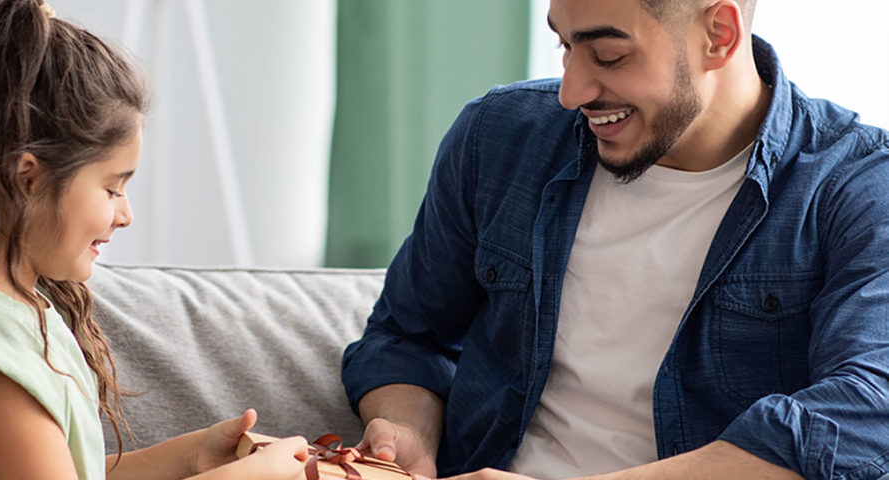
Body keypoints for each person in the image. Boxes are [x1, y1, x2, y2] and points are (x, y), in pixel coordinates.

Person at [341, 0, 889, 479]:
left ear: (718, 35)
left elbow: (868, 413)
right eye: (563, 44)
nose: (571, 91)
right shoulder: (498, 138)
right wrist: (405, 435)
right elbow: (406, 337)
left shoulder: (855, 186)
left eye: (607, 56)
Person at [0, 1, 311, 478]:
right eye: (112, 187)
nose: (125, 214)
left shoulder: (15, 309)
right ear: (28, 180)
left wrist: (190, 457)